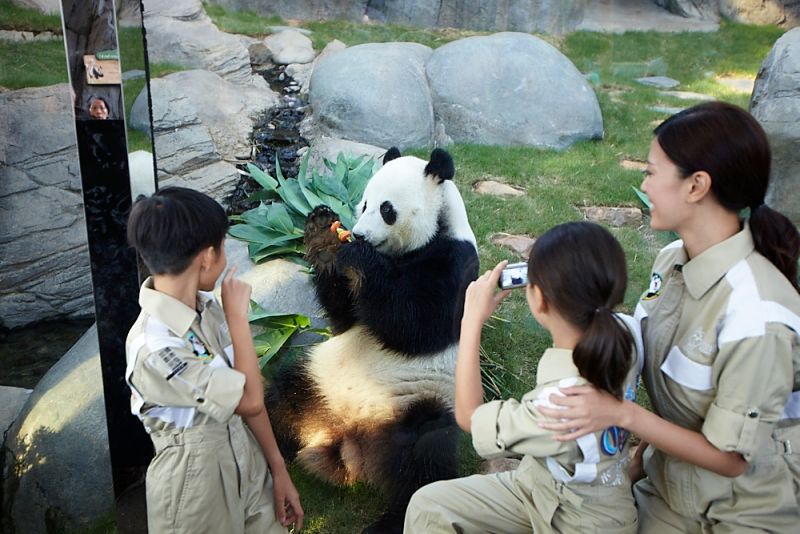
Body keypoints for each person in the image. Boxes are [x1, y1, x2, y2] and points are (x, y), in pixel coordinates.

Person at [538, 102, 800, 532]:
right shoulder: (670, 261)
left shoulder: (757, 316)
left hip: (736, 514)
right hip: (667, 487)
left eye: (651, 171)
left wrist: (620, 415)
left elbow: (731, 460)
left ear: (696, 185)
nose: (643, 184)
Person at [404, 221, 644, 533]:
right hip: (539, 485)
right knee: (429, 506)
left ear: (539, 300)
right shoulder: (628, 332)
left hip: (580, 522)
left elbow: (469, 416)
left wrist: (470, 319)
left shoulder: (561, 403)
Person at [125, 187, 304, 533]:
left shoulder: (205, 308)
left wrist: (277, 469)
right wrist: (238, 319)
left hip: (244, 457)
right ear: (207, 257)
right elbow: (250, 400)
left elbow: (249, 387)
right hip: (193, 485)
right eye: (223, 245)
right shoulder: (155, 347)